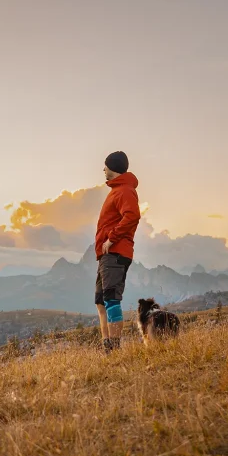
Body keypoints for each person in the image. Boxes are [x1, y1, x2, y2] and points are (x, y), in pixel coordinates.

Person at [94, 151, 141, 353]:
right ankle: (107, 344)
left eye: (105, 166)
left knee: (111, 299)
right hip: (107, 255)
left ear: (112, 167)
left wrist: (112, 238)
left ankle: (114, 348)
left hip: (116, 252)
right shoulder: (116, 190)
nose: (103, 169)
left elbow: (132, 216)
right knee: (100, 300)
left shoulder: (124, 190)